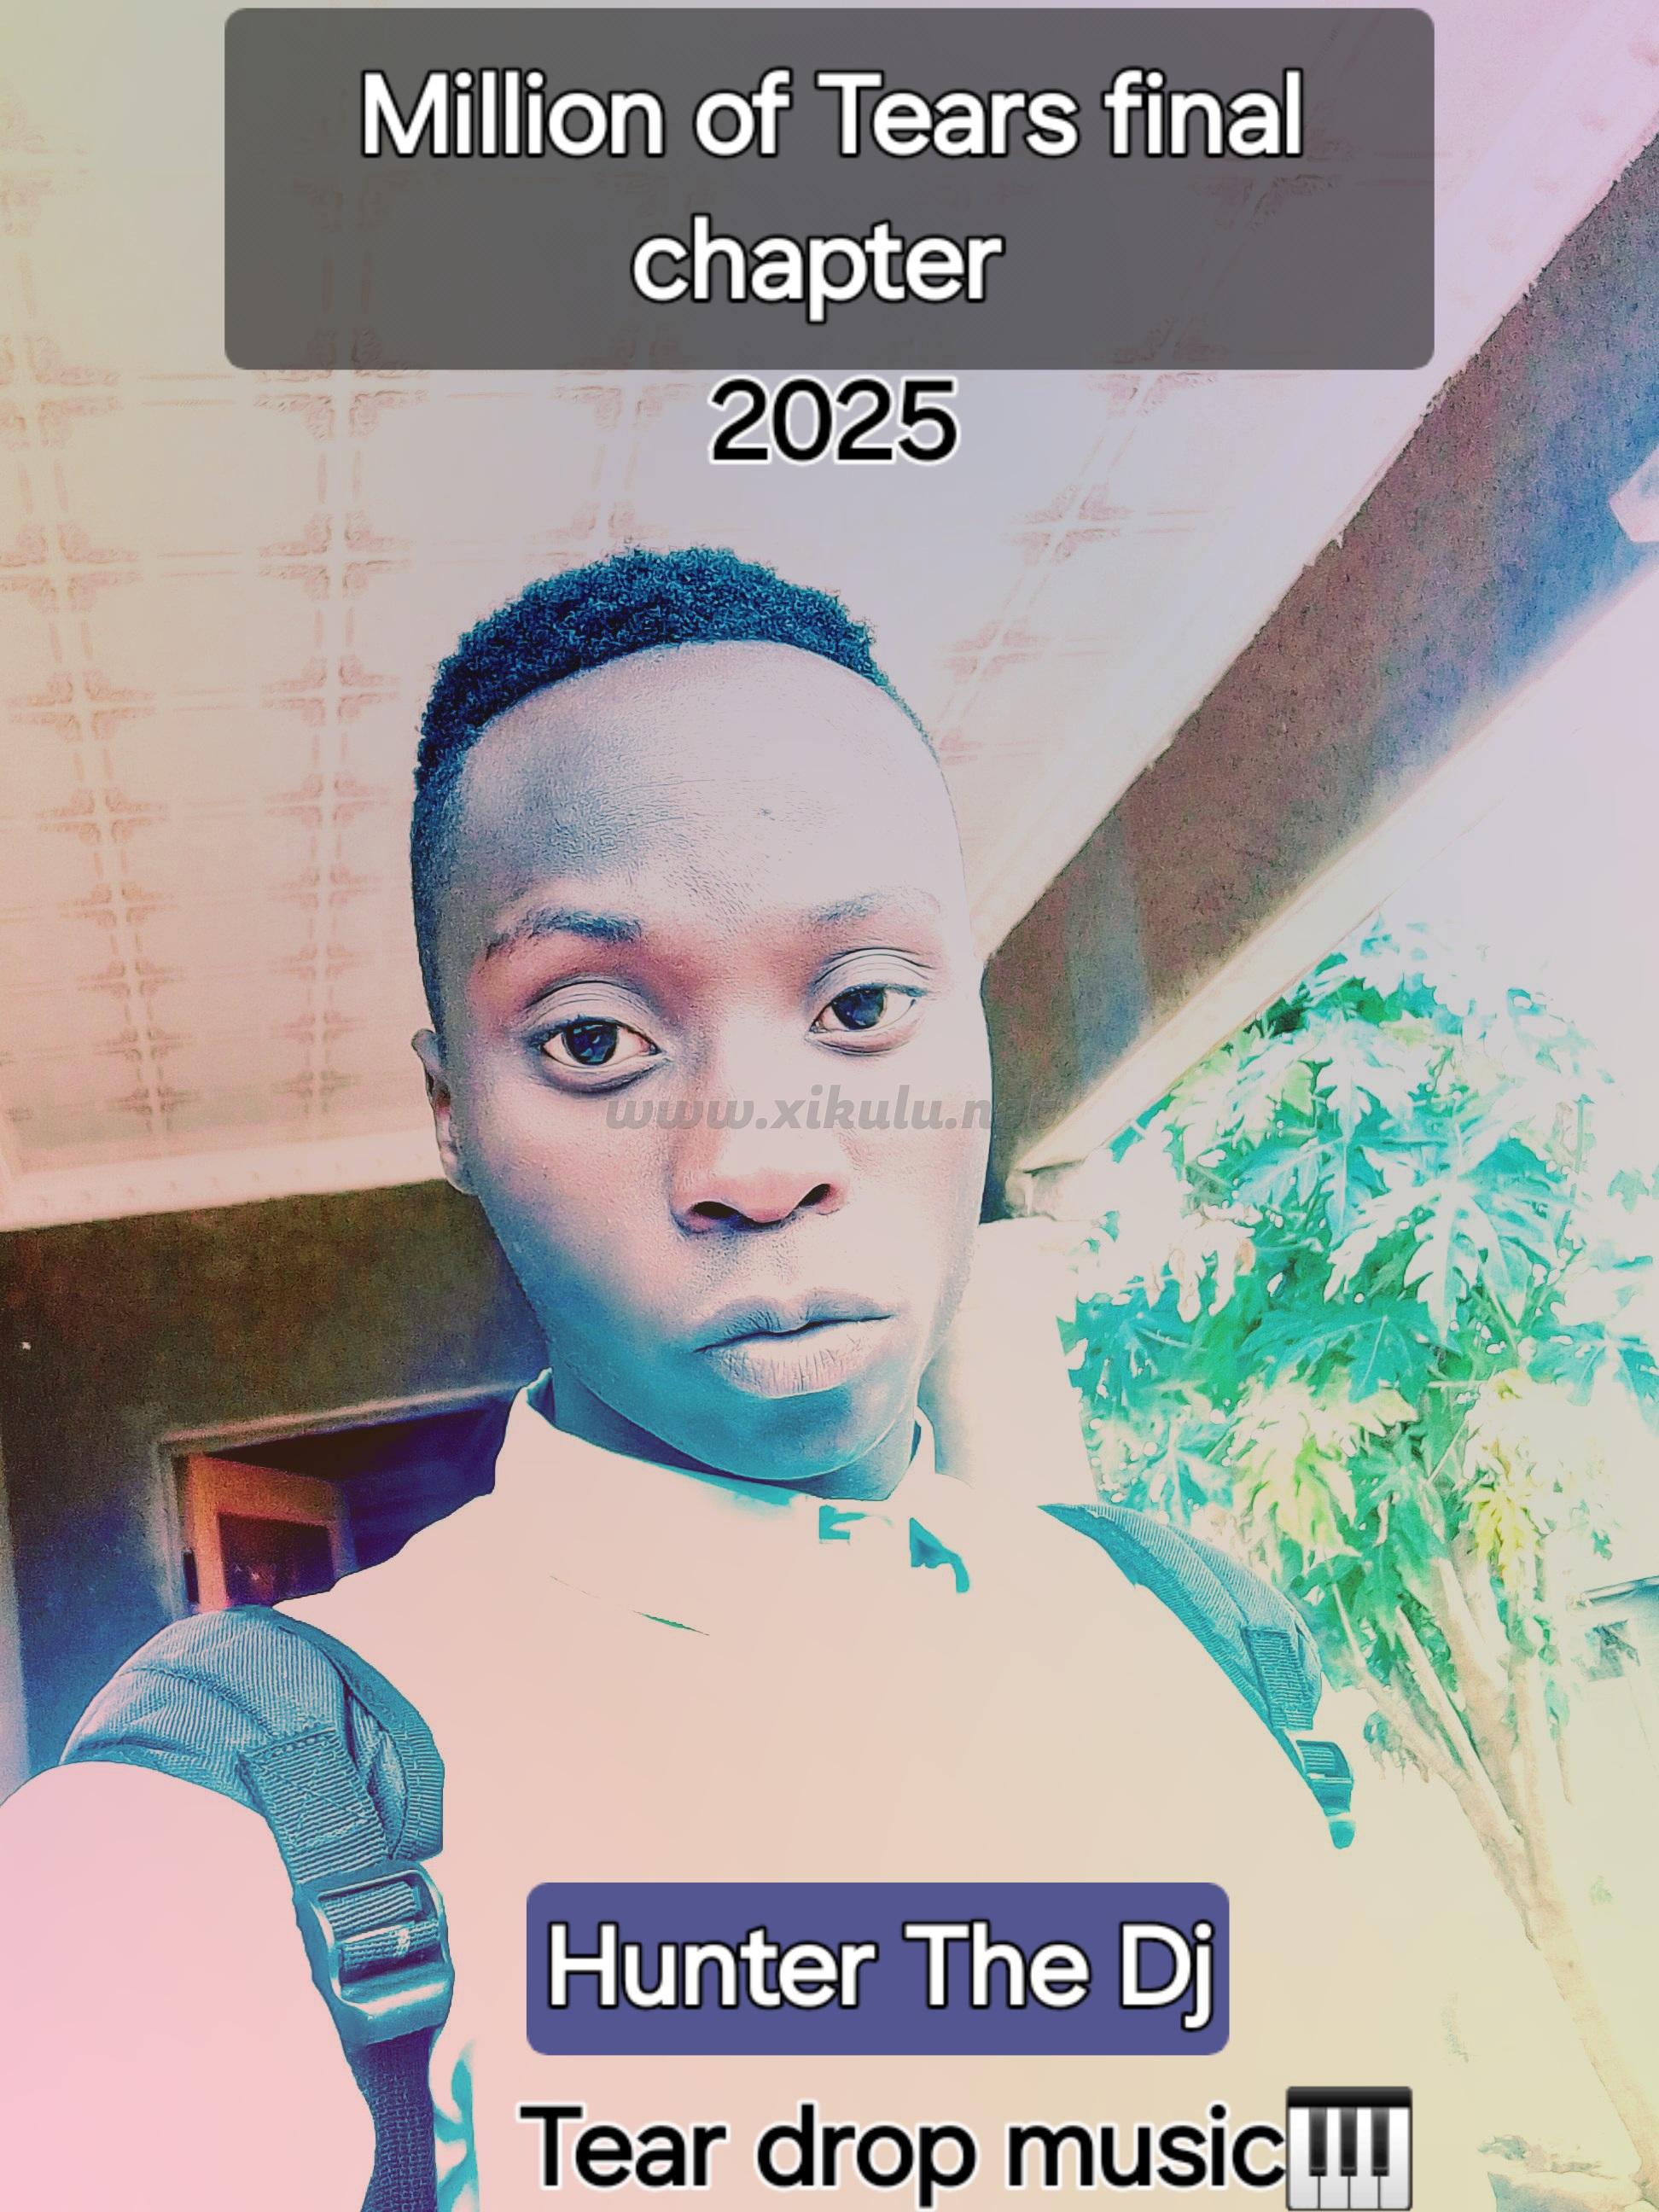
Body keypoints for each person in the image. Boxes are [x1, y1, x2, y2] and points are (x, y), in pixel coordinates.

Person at [0, 550, 1470, 2209]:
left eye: (866, 1002)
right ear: (450, 1114)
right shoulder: (235, 1833)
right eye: (594, 1040)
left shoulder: (1208, 1642)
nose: (759, 1164)